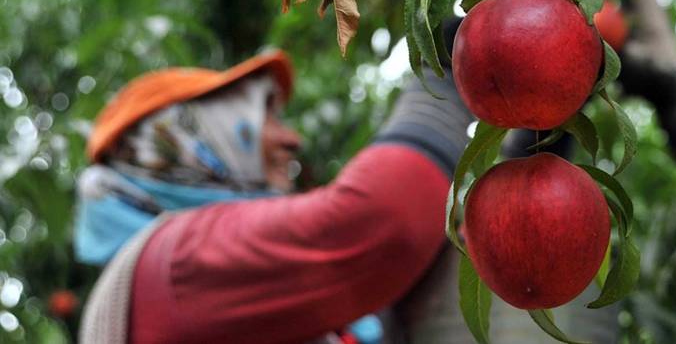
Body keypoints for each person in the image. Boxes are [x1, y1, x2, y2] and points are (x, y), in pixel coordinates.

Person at [75, 48, 472, 343]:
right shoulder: (174, 263)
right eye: (263, 117)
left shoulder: (169, 279)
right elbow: (384, 218)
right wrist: (440, 85)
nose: (291, 140)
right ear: (187, 139)